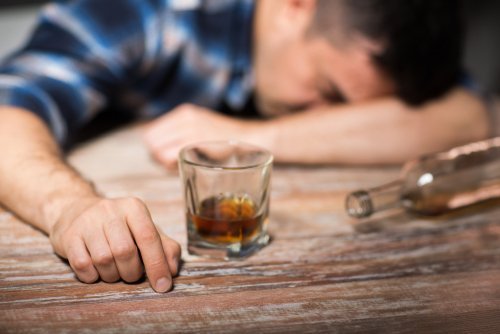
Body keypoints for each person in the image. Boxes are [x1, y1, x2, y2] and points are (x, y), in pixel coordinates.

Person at [0, 0, 489, 292]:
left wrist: (247, 140)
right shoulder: (148, 12)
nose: (330, 118)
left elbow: (469, 118)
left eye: (350, 110)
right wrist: (71, 207)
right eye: (330, 92)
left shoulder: (360, 47)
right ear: (297, 5)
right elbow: (9, 108)